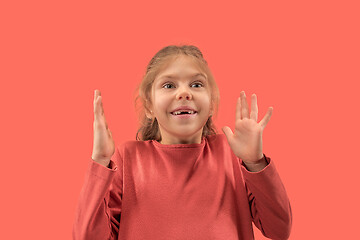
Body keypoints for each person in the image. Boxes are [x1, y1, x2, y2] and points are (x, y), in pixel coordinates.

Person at [72, 45, 292, 240]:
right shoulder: (128, 158)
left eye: (196, 84)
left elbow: (279, 229)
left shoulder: (232, 154)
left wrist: (255, 163)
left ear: (212, 103)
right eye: (169, 86)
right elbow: (87, 236)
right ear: (149, 105)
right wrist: (100, 162)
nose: (184, 93)